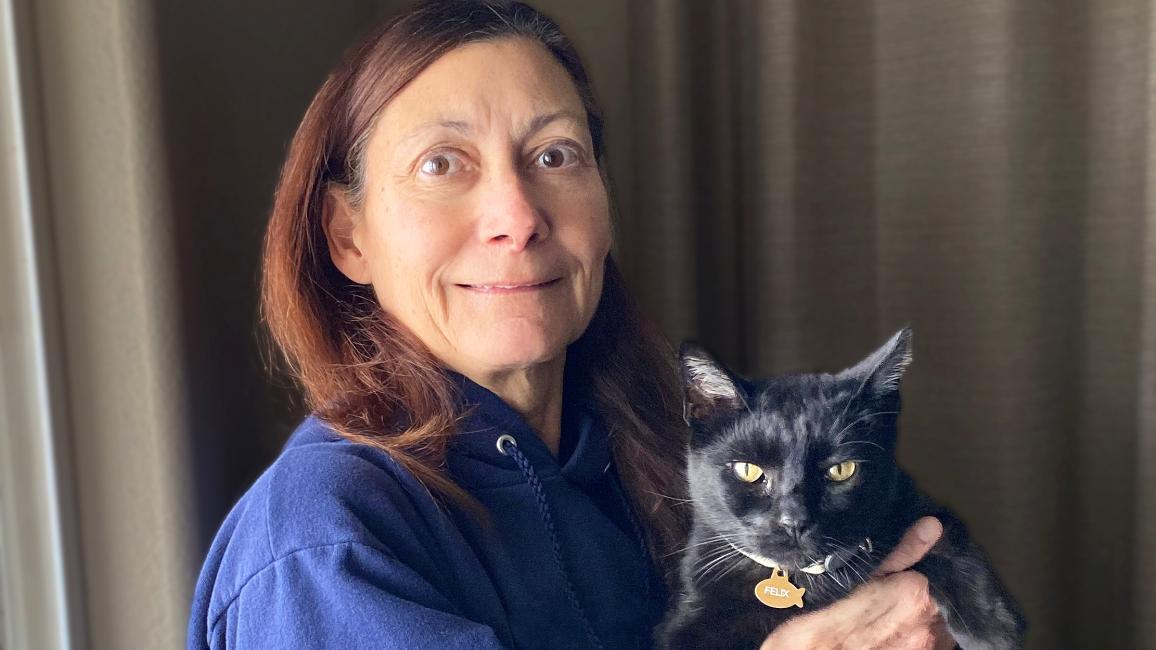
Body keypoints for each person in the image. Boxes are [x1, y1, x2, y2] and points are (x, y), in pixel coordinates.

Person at [187, 1, 955, 648]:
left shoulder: (653, 463)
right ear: (348, 236)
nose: (517, 217)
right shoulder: (326, 547)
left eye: (554, 155)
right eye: (441, 164)